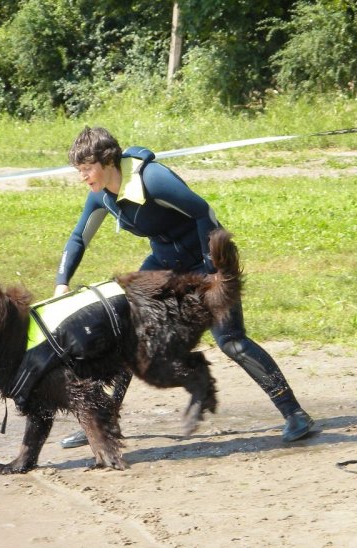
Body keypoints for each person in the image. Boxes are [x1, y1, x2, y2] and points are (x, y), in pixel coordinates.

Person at [54, 126, 314, 449]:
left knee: (231, 341)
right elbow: (78, 238)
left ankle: (295, 414)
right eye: (79, 171)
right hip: (165, 264)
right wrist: (61, 282)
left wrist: (211, 269)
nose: (83, 177)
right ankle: (105, 420)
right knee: (125, 332)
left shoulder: (152, 179)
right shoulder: (101, 195)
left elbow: (203, 212)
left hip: (208, 260)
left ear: (107, 161)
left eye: (86, 169)